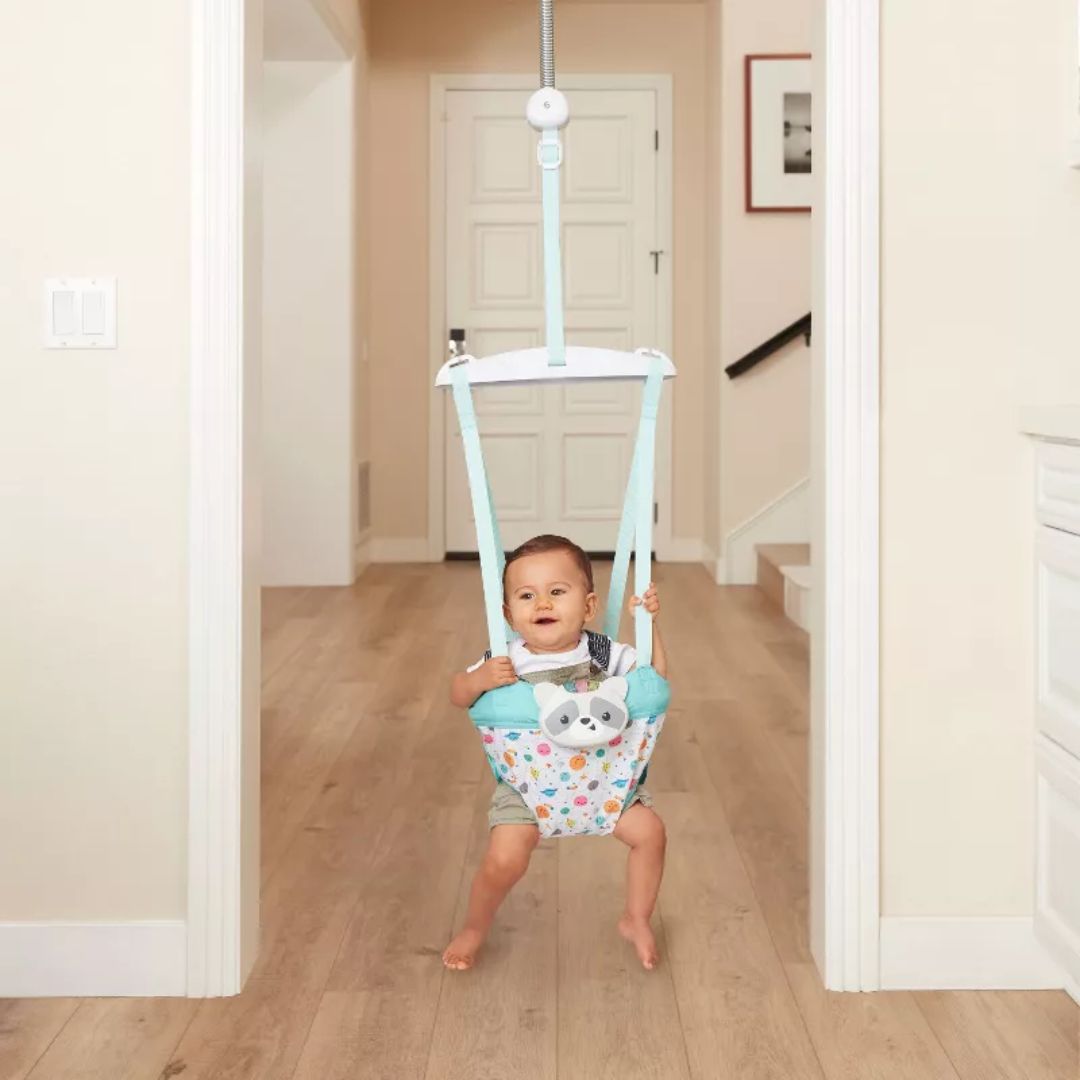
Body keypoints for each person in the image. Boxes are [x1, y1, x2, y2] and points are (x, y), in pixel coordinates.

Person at [443, 534, 668, 972]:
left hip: (606, 781)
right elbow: (457, 693)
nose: (542, 603)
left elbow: (652, 681)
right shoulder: (504, 659)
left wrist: (650, 624)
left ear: (587, 607)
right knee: (505, 857)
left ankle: (636, 917)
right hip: (527, 790)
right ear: (508, 614)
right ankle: (474, 926)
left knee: (651, 834)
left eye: (557, 592)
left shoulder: (603, 652)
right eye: (526, 596)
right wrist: (479, 681)